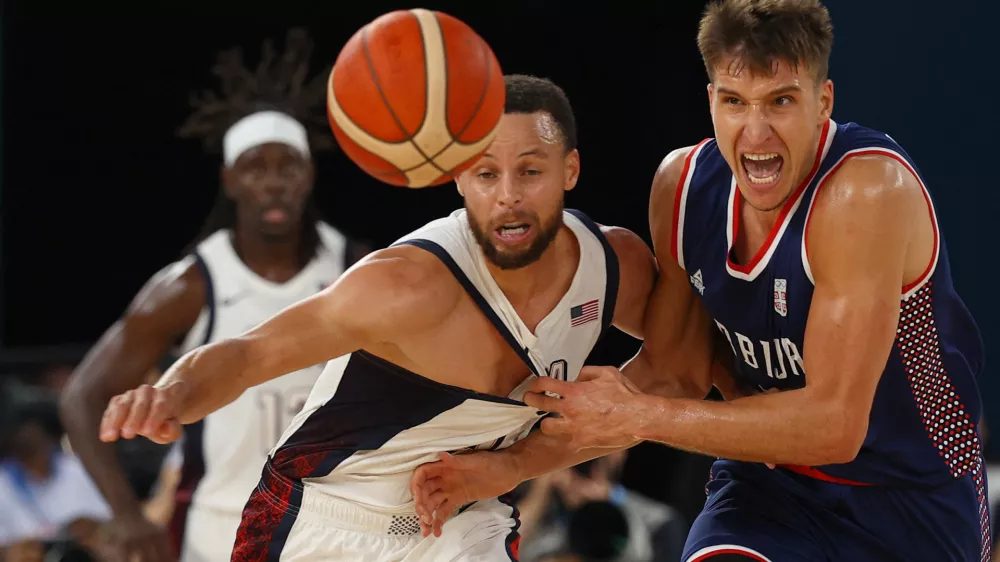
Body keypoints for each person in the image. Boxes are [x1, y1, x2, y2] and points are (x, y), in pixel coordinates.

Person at [409, 1, 990, 561]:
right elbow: (672, 374)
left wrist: (635, 415)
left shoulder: (863, 193)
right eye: (736, 101)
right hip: (771, 487)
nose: (756, 132)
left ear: (823, 102)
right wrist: (509, 463)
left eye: (780, 101)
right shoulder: (683, 187)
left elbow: (833, 427)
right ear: (711, 100)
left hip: (913, 497)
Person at [96, 74, 658, 562]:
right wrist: (171, 394)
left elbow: (677, 376)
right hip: (324, 519)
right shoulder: (403, 282)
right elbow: (250, 353)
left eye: (530, 171)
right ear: (459, 179)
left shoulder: (613, 266)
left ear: (570, 169)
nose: (508, 196)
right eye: (486, 175)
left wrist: (516, 464)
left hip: (461, 516)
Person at [60, 29, 366, 562]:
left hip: (340, 529)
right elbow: (81, 399)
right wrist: (128, 516)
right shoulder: (193, 283)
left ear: (308, 175)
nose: (272, 182)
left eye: (286, 166)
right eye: (255, 167)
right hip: (222, 533)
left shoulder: (356, 269)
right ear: (230, 180)